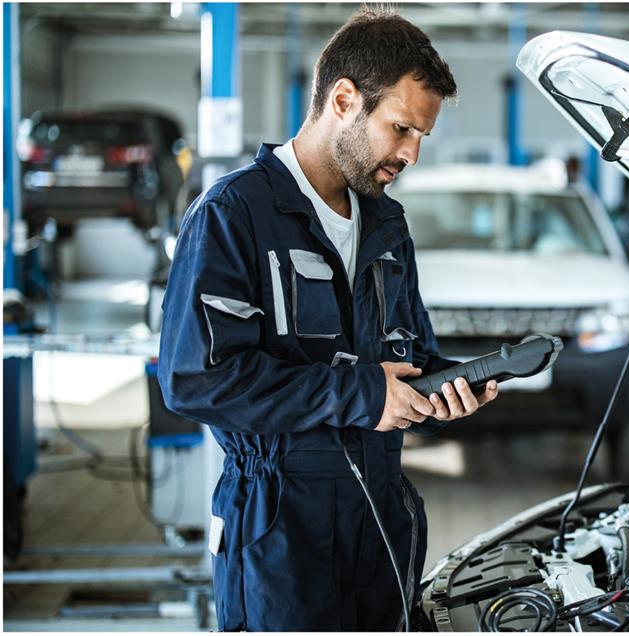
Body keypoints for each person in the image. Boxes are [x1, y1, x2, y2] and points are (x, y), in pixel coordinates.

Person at [158, 8, 499, 631]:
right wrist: (363, 394)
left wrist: (446, 385)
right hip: (280, 526)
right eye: (401, 128)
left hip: (381, 513)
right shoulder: (234, 214)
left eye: (421, 136)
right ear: (344, 100)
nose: (411, 153)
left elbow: (407, 355)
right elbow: (196, 379)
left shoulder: (386, 223)